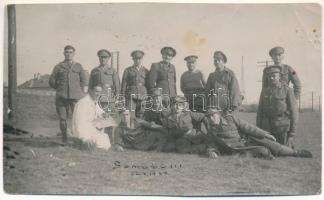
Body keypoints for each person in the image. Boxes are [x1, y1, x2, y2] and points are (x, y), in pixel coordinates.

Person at [205, 108, 312, 159]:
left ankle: (296, 152)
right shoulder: (211, 131)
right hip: (238, 149)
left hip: (248, 140)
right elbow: (210, 145)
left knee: (272, 145)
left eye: (213, 115)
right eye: (209, 117)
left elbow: (249, 128)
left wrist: (265, 134)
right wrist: (212, 152)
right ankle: (269, 156)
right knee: (263, 151)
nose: (211, 118)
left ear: (219, 115)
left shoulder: (230, 119)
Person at [49, 45, 88, 143]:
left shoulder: (78, 66)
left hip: (75, 97)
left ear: (74, 54)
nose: (69, 54)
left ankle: (79, 138)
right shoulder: (58, 66)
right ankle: (64, 138)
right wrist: (59, 88)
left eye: (71, 52)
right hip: (62, 97)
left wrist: (80, 92)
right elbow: (52, 80)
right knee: (63, 118)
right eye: (67, 52)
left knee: (78, 118)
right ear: (64, 53)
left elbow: (84, 81)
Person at [257, 66, 298, 148]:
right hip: (267, 129)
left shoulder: (287, 90)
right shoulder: (265, 91)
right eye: (269, 76)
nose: (271, 78)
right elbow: (259, 112)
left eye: (274, 76)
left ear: (279, 76)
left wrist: (291, 135)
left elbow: (294, 113)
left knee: (283, 152)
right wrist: (258, 131)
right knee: (266, 151)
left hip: (281, 128)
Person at [71, 85, 117, 150]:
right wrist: (84, 139)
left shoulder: (93, 101)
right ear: (91, 91)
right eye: (96, 91)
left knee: (106, 140)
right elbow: (78, 122)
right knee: (102, 143)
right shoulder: (83, 103)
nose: (98, 94)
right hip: (83, 132)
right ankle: (83, 143)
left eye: (100, 92)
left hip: (91, 129)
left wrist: (105, 115)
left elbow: (100, 111)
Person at [121, 50, 149, 118]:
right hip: (131, 96)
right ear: (133, 59)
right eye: (136, 59)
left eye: (139, 58)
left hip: (143, 96)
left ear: (142, 59)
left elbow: (148, 85)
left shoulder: (146, 71)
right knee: (130, 115)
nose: (137, 60)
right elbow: (124, 84)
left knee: (141, 115)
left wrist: (148, 96)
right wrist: (122, 97)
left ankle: (140, 128)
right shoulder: (128, 70)